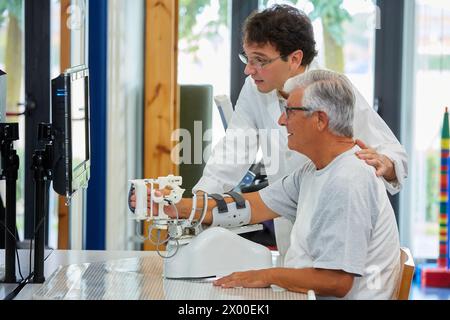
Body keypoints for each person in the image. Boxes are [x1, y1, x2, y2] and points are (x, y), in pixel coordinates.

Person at [152, 70, 400, 299]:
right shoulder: (313, 171)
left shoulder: (348, 178)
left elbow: (335, 281)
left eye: (290, 111)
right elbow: (251, 206)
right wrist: (175, 207)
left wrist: (265, 275)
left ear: (320, 120)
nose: (282, 121)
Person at [191, 4, 407, 258]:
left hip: (340, 226)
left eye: (260, 60)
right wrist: (200, 203)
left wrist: (387, 164)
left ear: (294, 58)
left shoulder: (332, 91)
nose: (249, 70)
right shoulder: (255, 88)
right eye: (247, 59)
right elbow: (235, 148)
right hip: (288, 218)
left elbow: (393, 155)